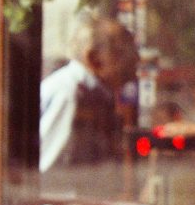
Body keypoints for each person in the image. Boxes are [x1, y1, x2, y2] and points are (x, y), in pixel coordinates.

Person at [39, 15, 138, 180]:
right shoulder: (70, 94)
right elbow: (50, 173)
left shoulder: (93, 93)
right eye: (123, 53)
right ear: (94, 58)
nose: (135, 60)